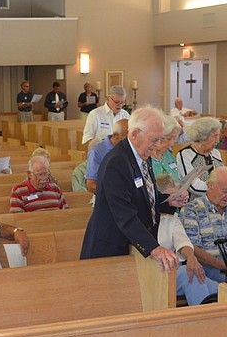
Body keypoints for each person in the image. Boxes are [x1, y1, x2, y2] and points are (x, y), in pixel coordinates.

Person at [80, 106, 188, 265]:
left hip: (131, 247)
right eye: (154, 139)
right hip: (111, 249)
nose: (158, 144)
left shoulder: (144, 155)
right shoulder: (116, 163)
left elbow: (142, 197)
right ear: (135, 134)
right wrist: (154, 248)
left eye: (160, 139)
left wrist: (168, 200)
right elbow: (123, 212)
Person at [180, 167, 227, 284]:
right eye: (225, 191)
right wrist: (226, 266)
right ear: (210, 186)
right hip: (209, 267)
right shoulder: (193, 209)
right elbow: (193, 249)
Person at [158, 213, 219, 305]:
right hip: (154, 274)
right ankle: (204, 317)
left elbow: (183, 242)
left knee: (220, 289)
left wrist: (191, 257)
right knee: (188, 273)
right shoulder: (138, 218)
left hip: (174, 272)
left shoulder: (171, 218)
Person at [175, 116, 223, 198]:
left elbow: (222, 177)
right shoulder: (186, 154)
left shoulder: (215, 153)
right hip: (196, 205)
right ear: (203, 137)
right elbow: (193, 186)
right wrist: (220, 188)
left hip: (219, 200)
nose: (218, 141)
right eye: (215, 136)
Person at [86, 118, 128, 193]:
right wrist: (115, 192)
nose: (130, 142)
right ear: (115, 135)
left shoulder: (129, 149)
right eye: (126, 138)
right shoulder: (97, 151)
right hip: (106, 198)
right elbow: (91, 185)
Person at [81, 85, 129, 149]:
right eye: (116, 102)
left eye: (122, 102)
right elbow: (87, 140)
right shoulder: (95, 114)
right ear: (108, 99)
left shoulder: (125, 115)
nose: (119, 105)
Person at [151, 115, 182, 184]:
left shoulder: (169, 156)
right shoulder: (145, 158)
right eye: (169, 138)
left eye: (174, 139)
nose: (172, 144)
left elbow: (177, 179)